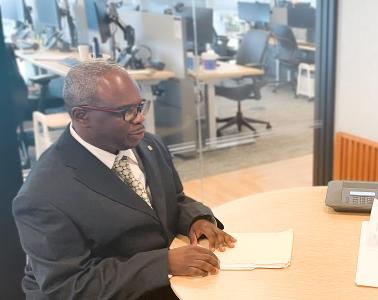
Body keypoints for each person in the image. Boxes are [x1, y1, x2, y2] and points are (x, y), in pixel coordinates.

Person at [13, 61, 236, 299]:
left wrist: (196, 219)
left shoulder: (148, 144)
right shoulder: (43, 195)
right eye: (126, 112)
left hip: (159, 281)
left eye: (140, 106)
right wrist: (164, 264)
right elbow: (70, 285)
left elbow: (173, 199)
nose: (140, 118)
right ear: (82, 116)